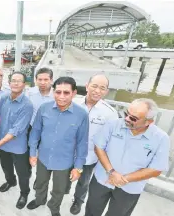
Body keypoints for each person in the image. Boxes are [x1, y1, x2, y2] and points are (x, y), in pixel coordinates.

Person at [85, 98, 170, 216]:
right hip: (101, 180)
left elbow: (156, 169)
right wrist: (112, 172)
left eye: (133, 118)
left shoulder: (161, 138)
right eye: (126, 113)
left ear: (148, 122)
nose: (126, 119)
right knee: (91, 212)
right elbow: (99, 148)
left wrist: (124, 179)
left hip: (130, 188)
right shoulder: (113, 124)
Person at [27, 77, 89, 216]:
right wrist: (32, 153)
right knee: (40, 182)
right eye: (58, 92)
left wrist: (78, 168)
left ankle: (54, 207)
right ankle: (39, 200)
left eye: (66, 93)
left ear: (74, 93)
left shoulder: (81, 115)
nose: (61, 96)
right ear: (54, 92)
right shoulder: (44, 108)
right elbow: (35, 131)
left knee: (59, 189)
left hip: (64, 162)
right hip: (43, 157)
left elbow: (82, 142)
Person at [69, 74, 119, 215]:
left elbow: (111, 138)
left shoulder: (110, 113)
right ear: (87, 86)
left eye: (102, 88)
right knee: (63, 177)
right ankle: (63, 192)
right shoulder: (73, 103)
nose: (97, 91)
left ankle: (78, 201)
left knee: (83, 182)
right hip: (67, 151)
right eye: (94, 86)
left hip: (89, 156)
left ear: (106, 91)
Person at [0, 72, 33, 210]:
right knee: (6, 167)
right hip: (3, 145)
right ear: (9, 83)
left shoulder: (27, 105)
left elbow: (16, 130)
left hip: (18, 147)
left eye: (19, 81)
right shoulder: (5, 98)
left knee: (22, 173)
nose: (16, 83)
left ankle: (24, 193)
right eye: (13, 80)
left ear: (24, 85)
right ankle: (10, 182)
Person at [26, 67, 54, 184]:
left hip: (48, 130)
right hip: (31, 128)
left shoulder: (57, 95)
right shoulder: (30, 93)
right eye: (40, 79)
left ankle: (40, 180)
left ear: (51, 80)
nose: (42, 82)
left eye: (46, 79)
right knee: (28, 153)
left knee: (43, 158)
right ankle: (27, 175)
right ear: (36, 80)